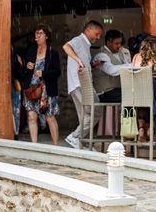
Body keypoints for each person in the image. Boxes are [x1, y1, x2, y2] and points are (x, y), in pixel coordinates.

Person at [62, 20, 104, 149]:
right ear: (88, 30)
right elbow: (66, 47)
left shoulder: (85, 45)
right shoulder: (79, 40)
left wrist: (92, 65)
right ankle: (75, 137)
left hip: (80, 84)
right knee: (95, 110)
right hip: (80, 84)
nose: (98, 37)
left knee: (85, 116)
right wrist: (78, 59)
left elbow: (82, 64)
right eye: (97, 34)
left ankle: (81, 143)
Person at [22, 24, 61, 145]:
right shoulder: (31, 50)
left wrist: (44, 74)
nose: (37, 36)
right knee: (31, 116)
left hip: (47, 90)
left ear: (47, 36)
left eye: (40, 33)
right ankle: (34, 145)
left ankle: (56, 147)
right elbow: (24, 70)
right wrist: (27, 67)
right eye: (36, 33)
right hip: (32, 89)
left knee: (49, 117)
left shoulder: (52, 52)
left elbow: (57, 71)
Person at [91, 29, 132, 103]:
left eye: (120, 43)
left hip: (116, 91)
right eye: (116, 43)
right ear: (108, 42)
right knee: (131, 96)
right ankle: (127, 114)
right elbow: (111, 70)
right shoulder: (101, 55)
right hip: (105, 93)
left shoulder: (121, 53)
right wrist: (131, 65)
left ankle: (128, 114)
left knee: (136, 93)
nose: (119, 46)